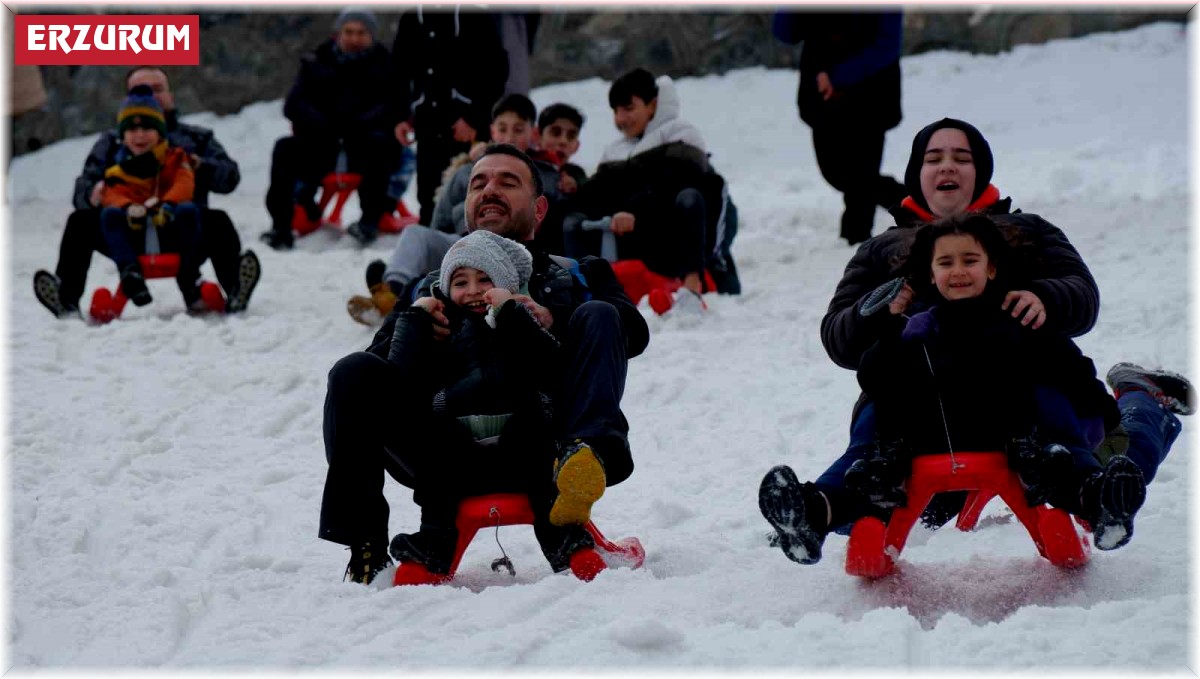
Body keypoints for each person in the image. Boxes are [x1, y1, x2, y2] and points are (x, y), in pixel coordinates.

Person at [758, 117, 1193, 558]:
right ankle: (814, 512)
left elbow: (1082, 296)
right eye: (934, 158)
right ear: (917, 174)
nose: (947, 166)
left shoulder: (1028, 230)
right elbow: (839, 340)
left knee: (1110, 470)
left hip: (1023, 400)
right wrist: (876, 314)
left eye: (961, 158)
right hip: (917, 407)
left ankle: (1140, 401)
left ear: (979, 171)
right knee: (872, 473)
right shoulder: (880, 250)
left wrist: (1045, 296)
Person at [320, 144, 650, 584]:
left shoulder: (576, 273)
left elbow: (632, 332)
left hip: (545, 439)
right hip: (442, 449)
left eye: (507, 182)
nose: (489, 190)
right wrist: (416, 326)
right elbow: (376, 375)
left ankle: (585, 457)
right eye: (478, 183)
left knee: (599, 313)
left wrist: (554, 317)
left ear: (539, 208)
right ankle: (366, 547)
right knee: (351, 372)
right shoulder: (428, 287)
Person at [382, 229, 571, 574]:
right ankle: (434, 543)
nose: (472, 290)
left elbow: (551, 365)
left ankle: (562, 539)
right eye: (460, 282)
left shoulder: (522, 317)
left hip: (521, 451)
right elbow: (398, 379)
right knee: (437, 454)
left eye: (484, 279)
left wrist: (511, 312)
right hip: (460, 456)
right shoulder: (440, 328)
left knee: (536, 440)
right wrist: (415, 318)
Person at [33, 66, 257, 318]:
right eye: (140, 90)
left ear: (170, 95)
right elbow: (84, 187)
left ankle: (236, 289)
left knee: (218, 221)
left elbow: (230, 177)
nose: (149, 95)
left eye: (157, 89)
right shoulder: (113, 143)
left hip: (184, 228)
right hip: (125, 231)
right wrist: (92, 193)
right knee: (80, 222)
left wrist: (199, 167)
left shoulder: (195, 139)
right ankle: (66, 299)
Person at [346, 94, 562, 326]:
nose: (509, 137)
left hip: (514, 251)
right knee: (417, 234)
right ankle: (392, 292)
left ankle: (408, 291)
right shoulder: (467, 170)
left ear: (533, 134)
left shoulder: (543, 172)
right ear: (492, 130)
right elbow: (441, 216)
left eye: (518, 130)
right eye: (503, 129)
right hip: (462, 247)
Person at [563, 68, 731, 310]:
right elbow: (597, 192)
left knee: (689, 197)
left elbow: (673, 183)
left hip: (673, 242)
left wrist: (634, 213)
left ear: (652, 105)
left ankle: (692, 285)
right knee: (574, 217)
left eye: (628, 108)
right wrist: (574, 187)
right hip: (633, 244)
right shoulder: (617, 150)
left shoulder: (681, 134)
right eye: (616, 111)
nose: (621, 119)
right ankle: (578, 290)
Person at [261, 7, 402, 249]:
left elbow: (394, 105)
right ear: (339, 33)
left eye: (361, 33)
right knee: (284, 148)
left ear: (371, 35)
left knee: (382, 147)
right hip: (320, 142)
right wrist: (321, 123)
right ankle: (281, 227)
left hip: (364, 142)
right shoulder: (316, 62)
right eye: (349, 32)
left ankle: (369, 222)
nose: (354, 38)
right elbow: (294, 104)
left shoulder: (386, 65)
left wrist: (358, 123)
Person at [772, 10, 908, 246]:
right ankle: (917, 204)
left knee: (862, 176)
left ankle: (855, 241)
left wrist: (839, 76)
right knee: (838, 175)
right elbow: (786, 33)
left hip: (871, 95)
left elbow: (887, 45)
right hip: (822, 98)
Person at [391, 6, 510, 225]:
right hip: (427, 124)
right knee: (429, 196)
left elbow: (496, 70)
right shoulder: (411, 17)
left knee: (471, 196)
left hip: (467, 130)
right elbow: (399, 70)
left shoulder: (475, 15)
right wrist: (400, 116)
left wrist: (473, 117)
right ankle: (431, 241)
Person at [94, 86, 203, 309]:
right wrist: (127, 208)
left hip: (170, 230)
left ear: (160, 132)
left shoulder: (176, 158)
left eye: (147, 128)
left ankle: (190, 277)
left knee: (189, 211)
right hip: (134, 236)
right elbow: (113, 193)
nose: (140, 135)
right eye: (132, 130)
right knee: (109, 215)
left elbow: (184, 183)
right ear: (123, 136)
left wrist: (168, 204)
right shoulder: (117, 170)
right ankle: (131, 275)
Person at [529, 102, 588, 256]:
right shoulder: (527, 168)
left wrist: (577, 187)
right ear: (537, 136)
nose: (563, 141)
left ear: (576, 146)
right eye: (555, 133)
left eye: (571, 136)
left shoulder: (577, 174)